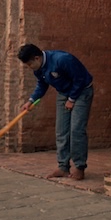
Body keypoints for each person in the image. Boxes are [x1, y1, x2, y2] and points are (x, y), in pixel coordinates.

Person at [18, 43, 94, 181]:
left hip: (82, 91)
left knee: (76, 130)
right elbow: (42, 84)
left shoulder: (62, 59)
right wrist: (31, 100)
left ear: (37, 58)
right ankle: (63, 167)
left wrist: (72, 99)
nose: (29, 68)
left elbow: (80, 79)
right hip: (63, 93)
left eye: (29, 64)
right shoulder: (39, 68)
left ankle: (79, 167)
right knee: (61, 130)